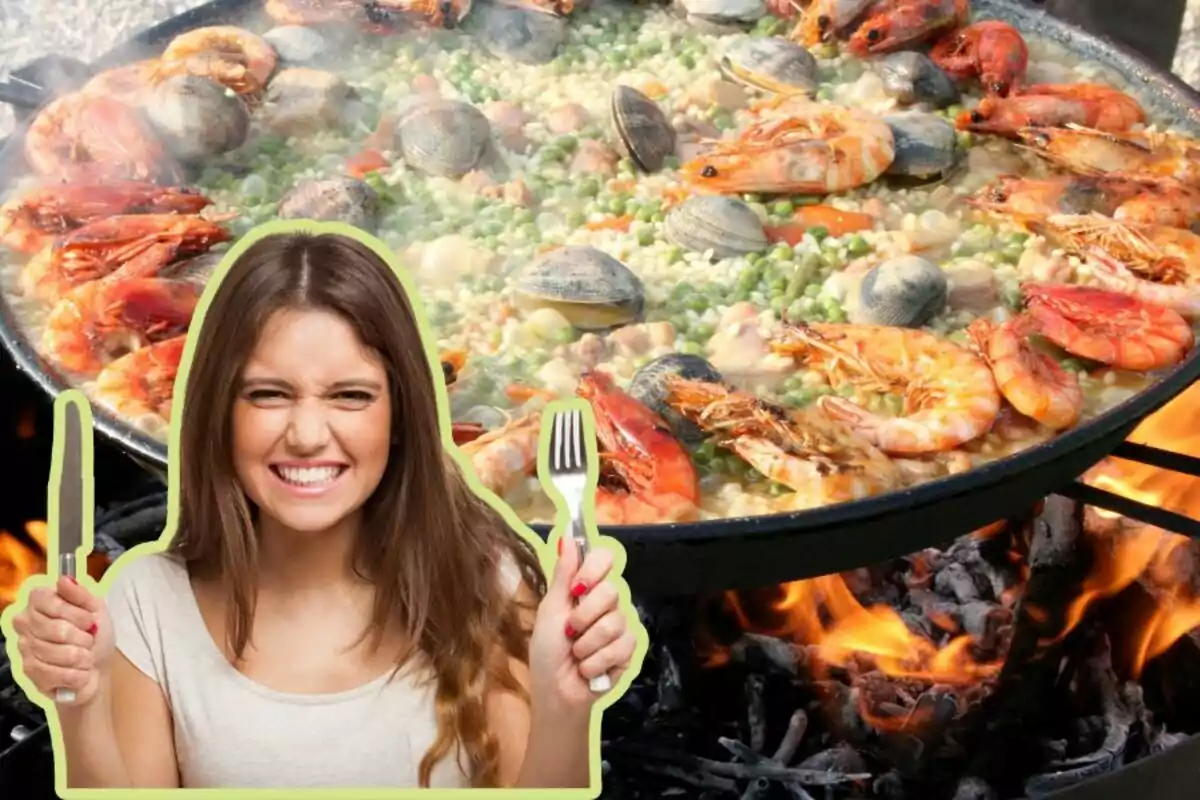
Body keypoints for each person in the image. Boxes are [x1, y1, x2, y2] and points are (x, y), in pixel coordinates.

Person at [5, 229, 639, 789]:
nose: (308, 434)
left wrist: (567, 707)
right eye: (268, 394)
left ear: (401, 417)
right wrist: (79, 707)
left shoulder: (489, 582)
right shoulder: (146, 601)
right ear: (217, 414)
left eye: (350, 396)